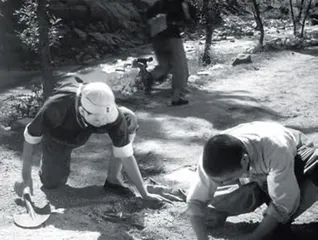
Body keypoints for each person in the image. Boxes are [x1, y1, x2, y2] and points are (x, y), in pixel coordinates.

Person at [21, 79, 168, 202]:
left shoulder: (110, 113)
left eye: (105, 119)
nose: (102, 122)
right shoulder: (55, 106)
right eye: (98, 119)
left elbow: (126, 154)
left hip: (91, 120)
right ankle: (50, 165)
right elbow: (30, 139)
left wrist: (144, 194)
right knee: (52, 183)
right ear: (82, 110)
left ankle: (113, 179)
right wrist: (26, 179)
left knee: (129, 118)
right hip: (61, 136)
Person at [186, 121, 318, 240]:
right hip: (256, 162)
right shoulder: (211, 156)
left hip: (296, 153)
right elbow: (195, 201)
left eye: (227, 180)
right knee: (217, 209)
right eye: (217, 182)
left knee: (281, 216)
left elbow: (284, 202)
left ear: (244, 160)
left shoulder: (276, 151)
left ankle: (278, 223)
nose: (221, 185)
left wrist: (253, 237)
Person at [145, 0, 196, 106]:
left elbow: (148, 15)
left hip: (156, 38)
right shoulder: (180, 3)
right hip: (172, 37)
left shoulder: (159, 3)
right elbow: (188, 20)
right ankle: (176, 98)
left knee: (165, 66)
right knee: (180, 68)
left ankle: (149, 78)